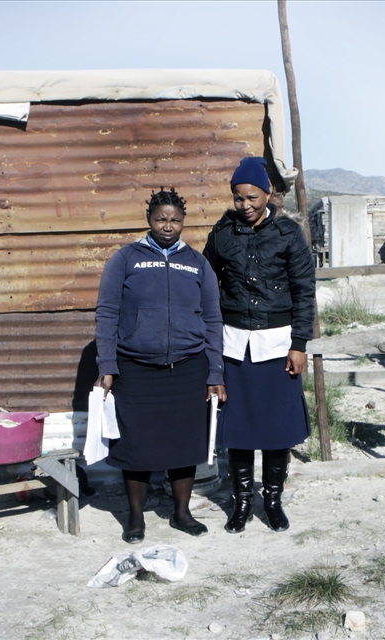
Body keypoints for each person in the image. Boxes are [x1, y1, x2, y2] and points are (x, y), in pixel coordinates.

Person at [95, 187, 227, 543]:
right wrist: (107, 365)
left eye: (175, 220)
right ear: (149, 220)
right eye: (160, 219)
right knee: (135, 446)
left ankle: (181, 513)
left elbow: (213, 319)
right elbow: (107, 313)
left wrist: (215, 372)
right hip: (135, 368)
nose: (167, 226)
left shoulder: (197, 263)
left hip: (187, 368)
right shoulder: (126, 259)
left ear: (183, 222)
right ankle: (135, 517)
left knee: (184, 444)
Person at [203, 156, 316, 533]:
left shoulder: (288, 234)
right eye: (238, 198)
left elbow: (304, 291)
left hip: (277, 346)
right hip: (235, 346)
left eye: (252, 197)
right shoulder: (222, 234)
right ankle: (241, 503)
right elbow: (207, 284)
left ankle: (272, 501)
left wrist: (299, 343)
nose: (245, 205)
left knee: (275, 428)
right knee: (239, 429)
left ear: (268, 194)